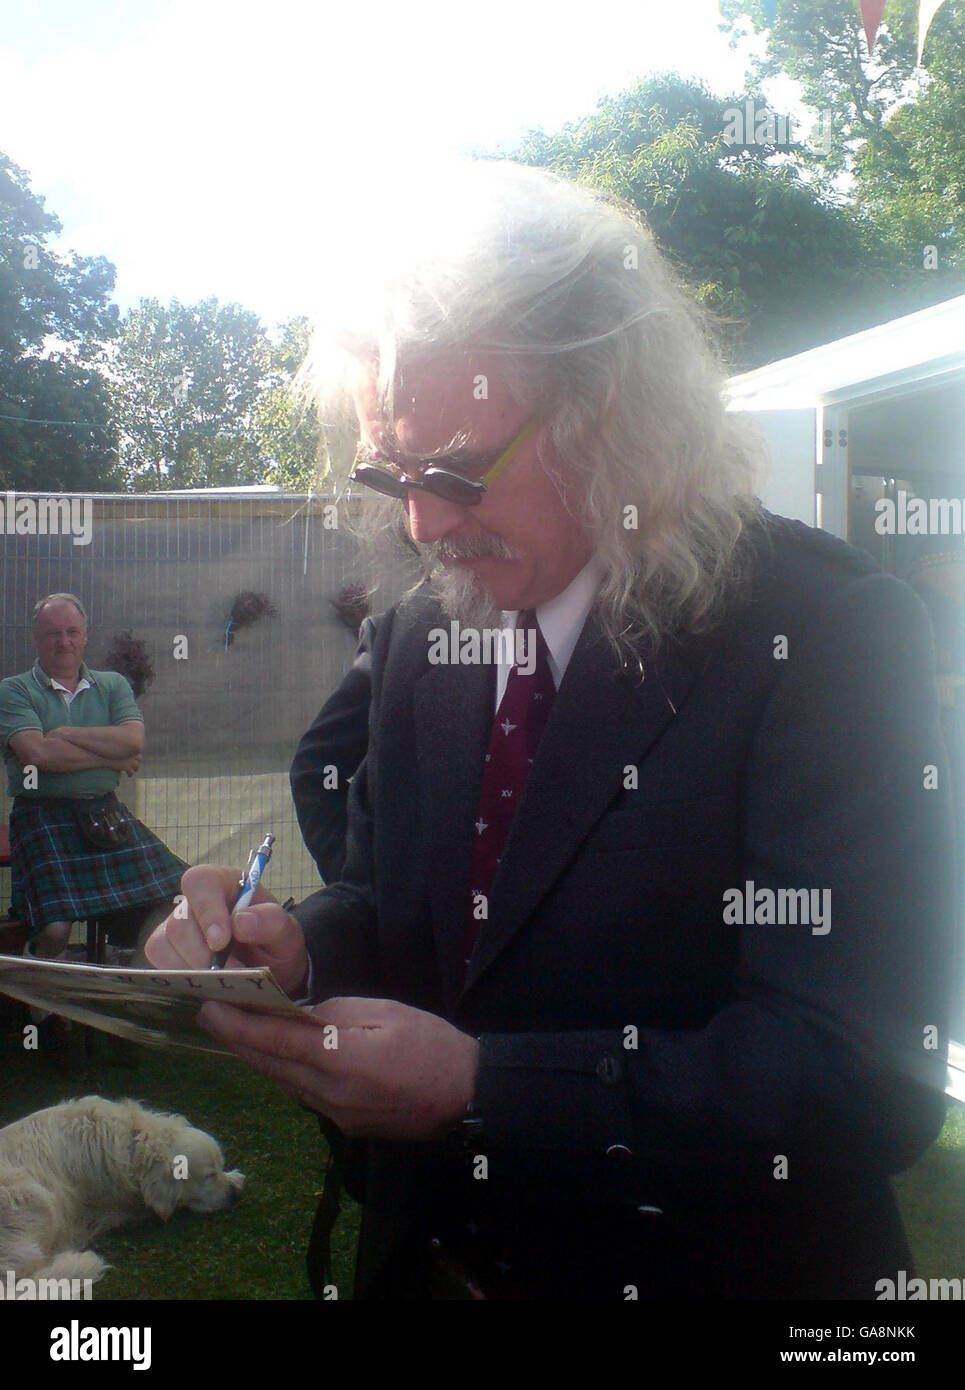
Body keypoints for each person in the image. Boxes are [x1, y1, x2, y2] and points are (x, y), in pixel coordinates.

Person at [146, 162, 954, 1300]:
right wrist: (297, 947)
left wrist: (486, 1088)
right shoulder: (424, 632)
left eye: (457, 471)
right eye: (390, 471)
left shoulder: (821, 630)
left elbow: (861, 1073)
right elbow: (399, 904)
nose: (422, 523)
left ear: (610, 418)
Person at [0, 594, 187, 964]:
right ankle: (43, 997)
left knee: (177, 897)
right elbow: (37, 755)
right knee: (55, 929)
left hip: (105, 813)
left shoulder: (112, 685)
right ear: (36, 639)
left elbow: (133, 741)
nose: (64, 641)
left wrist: (64, 733)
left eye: (72, 632)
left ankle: (135, 984)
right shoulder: (14, 690)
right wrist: (112, 759)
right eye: (53, 633)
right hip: (42, 818)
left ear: (85, 637)